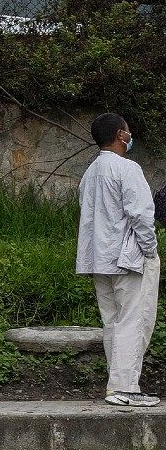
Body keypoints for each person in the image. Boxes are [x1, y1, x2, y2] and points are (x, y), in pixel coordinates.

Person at [76, 113, 160, 407]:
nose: (129, 135)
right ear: (121, 136)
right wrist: (150, 250)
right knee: (133, 322)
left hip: (99, 258)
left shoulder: (90, 172)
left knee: (112, 322)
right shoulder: (127, 169)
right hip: (129, 258)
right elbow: (141, 215)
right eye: (127, 131)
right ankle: (126, 387)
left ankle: (116, 385)